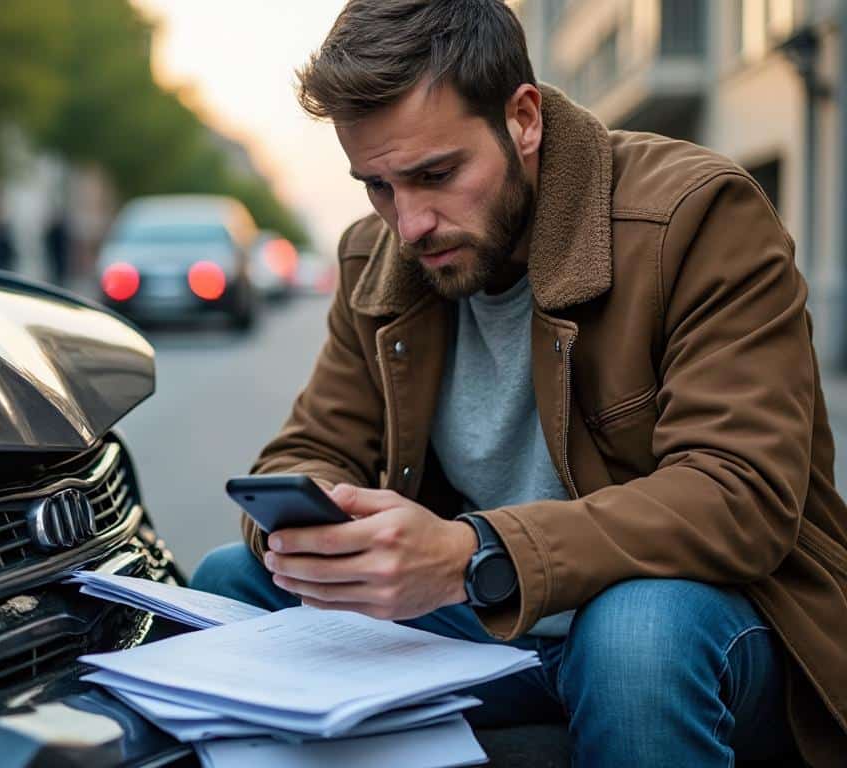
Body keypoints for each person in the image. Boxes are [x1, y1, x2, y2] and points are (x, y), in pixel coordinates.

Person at [190, 2, 847, 766]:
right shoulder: (378, 256)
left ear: (524, 119)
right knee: (230, 579)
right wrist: (319, 529)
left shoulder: (697, 214)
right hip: (482, 622)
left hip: (698, 621)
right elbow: (311, 446)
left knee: (636, 634)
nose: (410, 225)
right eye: (377, 185)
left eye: (436, 175)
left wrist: (472, 552)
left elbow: (741, 494)